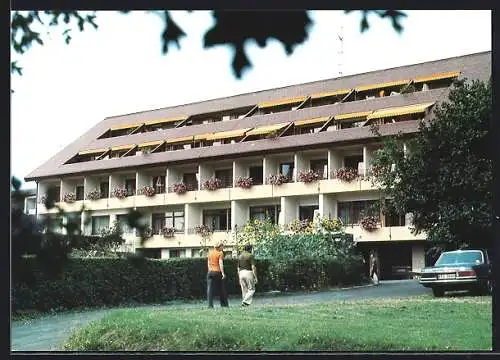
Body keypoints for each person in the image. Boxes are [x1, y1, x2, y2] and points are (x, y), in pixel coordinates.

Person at [206, 241, 229, 308]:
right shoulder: (220, 253)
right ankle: (224, 304)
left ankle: (210, 305)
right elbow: (220, 263)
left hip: (210, 272)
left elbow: (208, 262)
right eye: (222, 246)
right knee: (221, 288)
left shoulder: (210, 253)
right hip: (217, 272)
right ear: (219, 247)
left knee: (210, 289)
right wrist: (223, 273)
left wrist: (209, 270)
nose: (223, 247)